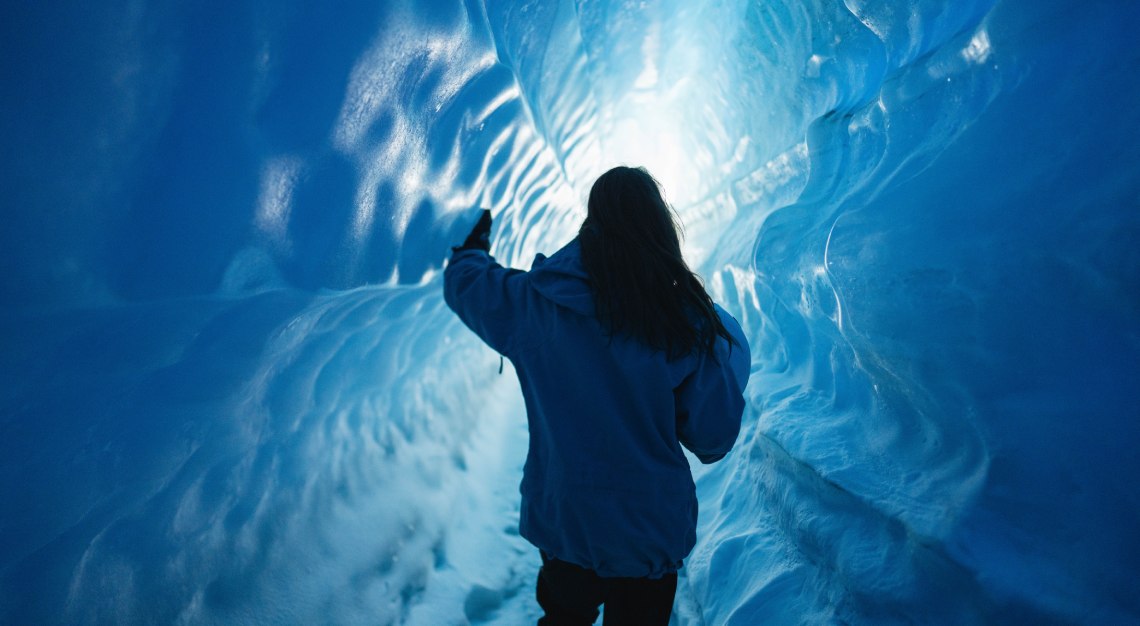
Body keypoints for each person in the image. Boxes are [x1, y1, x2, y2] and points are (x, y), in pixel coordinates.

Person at [444, 166, 750, 625]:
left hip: (567, 522)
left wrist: (472, 249)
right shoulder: (685, 320)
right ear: (659, 223)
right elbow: (713, 438)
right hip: (647, 533)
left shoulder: (536, 301)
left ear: (592, 219)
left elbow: (469, 286)